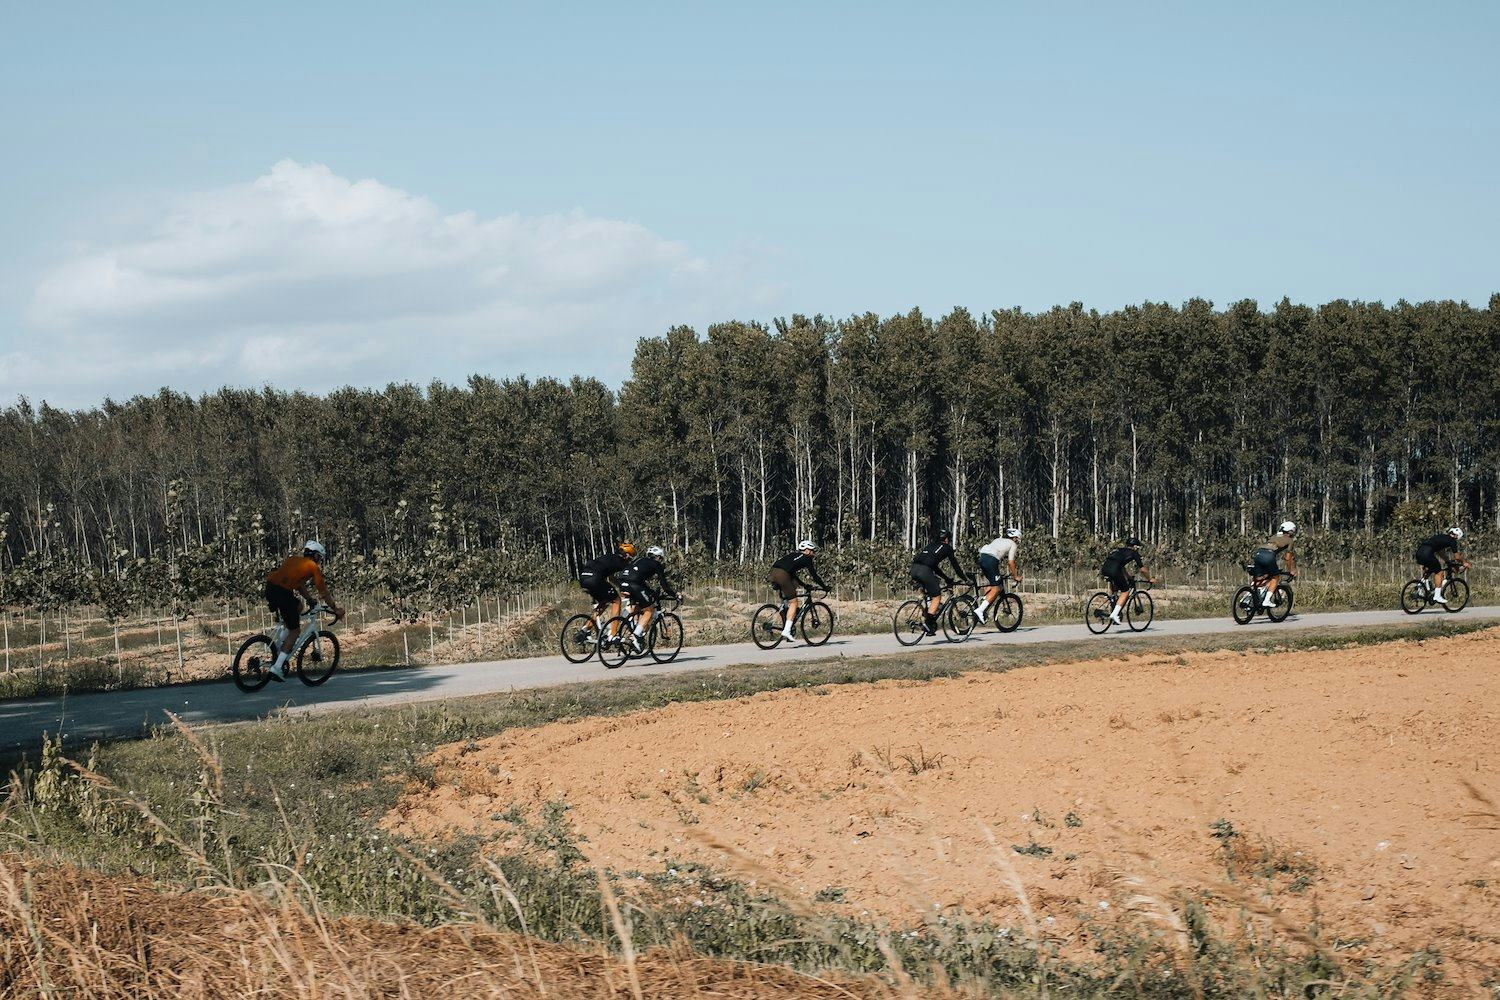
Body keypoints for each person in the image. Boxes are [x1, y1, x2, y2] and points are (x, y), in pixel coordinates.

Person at [263, 540, 345, 681]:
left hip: (270, 588)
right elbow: (323, 591)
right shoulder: (313, 567)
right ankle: (277, 667)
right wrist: (335, 608)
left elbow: (299, 584)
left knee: (298, 607)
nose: (319, 561)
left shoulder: (294, 559)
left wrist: (309, 599)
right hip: (283, 593)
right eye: (319, 557)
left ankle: (282, 643)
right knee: (295, 631)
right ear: (315, 555)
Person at [616, 545, 679, 651]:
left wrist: (651, 592)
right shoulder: (656, 564)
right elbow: (665, 586)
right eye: (661, 558)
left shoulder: (640, 560)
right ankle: (635, 635)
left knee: (640, 605)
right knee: (649, 610)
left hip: (622, 583)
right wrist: (675, 595)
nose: (660, 560)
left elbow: (640, 580)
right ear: (658, 557)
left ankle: (634, 627)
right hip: (634, 584)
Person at [770, 540, 829, 641]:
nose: (813, 553)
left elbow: (792, 575)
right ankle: (787, 630)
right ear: (806, 550)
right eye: (812, 551)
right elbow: (814, 576)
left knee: (792, 587)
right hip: (783, 575)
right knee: (794, 603)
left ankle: (787, 620)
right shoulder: (807, 558)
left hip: (773, 572)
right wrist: (824, 586)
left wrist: (804, 585)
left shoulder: (793, 555)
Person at [910, 529, 965, 635]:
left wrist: (945, 577)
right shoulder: (947, 548)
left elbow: (934, 567)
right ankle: (928, 623)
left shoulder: (931, 545)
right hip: (924, 571)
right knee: (937, 596)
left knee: (930, 595)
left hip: (914, 569)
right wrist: (964, 578)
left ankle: (929, 624)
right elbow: (955, 566)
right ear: (947, 539)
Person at [1100, 537, 1157, 625]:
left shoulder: (1119, 550)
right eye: (1137, 547)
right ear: (1134, 546)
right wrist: (1150, 578)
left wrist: (1128, 577)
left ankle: (1113, 604)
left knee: (1115, 588)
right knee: (1125, 592)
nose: (1137, 548)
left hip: (1105, 569)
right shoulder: (1134, 553)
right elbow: (1143, 570)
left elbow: (1121, 566)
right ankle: (1114, 614)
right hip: (1114, 570)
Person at [578, 541, 634, 632]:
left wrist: (620, 587)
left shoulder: (609, 557)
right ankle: (613, 633)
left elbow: (611, 578)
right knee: (617, 600)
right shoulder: (621, 561)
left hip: (583, 578)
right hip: (595, 579)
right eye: (630, 557)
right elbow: (628, 577)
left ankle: (585, 629)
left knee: (604, 602)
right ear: (626, 555)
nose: (629, 560)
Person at [975, 528, 1022, 623]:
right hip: (991, 560)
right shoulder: (1012, 544)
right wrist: (1015, 576)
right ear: (1015, 538)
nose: (1018, 541)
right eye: (1018, 539)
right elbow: (1011, 562)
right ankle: (980, 610)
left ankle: (984, 600)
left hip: (982, 557)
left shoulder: (998, 539)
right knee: (997, 588)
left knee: (994, 584)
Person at [1415, 527, 1469, 604]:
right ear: (1458, 536)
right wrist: (1464, 563)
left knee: (1430, 569)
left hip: (1419, 552)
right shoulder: (1452, 540)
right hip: (1427, 554)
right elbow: (1457, 557)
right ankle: (1437, 596)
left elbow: (1440, 552)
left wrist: (1447, 561)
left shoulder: (1441, 536)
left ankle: (1419, 588)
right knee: (1439, 573)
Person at [1252, 521, 1298, 607]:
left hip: (1258, 553)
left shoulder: (1276, 535)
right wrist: (1291, 570)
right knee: (1276, 577)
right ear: (1291, 531)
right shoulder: (1290, 540)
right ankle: (1266, 600)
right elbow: (1288, 558)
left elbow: (1276, 541)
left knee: (1261, 577)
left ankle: (1250, 596)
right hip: (1268, 556)